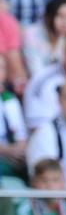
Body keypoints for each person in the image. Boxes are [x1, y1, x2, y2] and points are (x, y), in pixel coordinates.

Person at [21, 0, 66, 77]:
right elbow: (37, 73)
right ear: (47, 16)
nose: (65, 22)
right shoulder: (31, 35)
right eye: (60, 16)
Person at [0, 52, 27, 180]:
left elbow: (21, 131)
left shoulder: (11, 100)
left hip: (14, 156)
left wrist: (19, 150)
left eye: (1, 68)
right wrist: (7, 151)